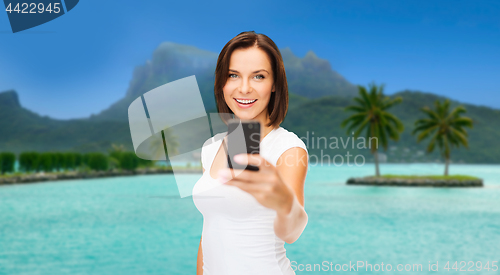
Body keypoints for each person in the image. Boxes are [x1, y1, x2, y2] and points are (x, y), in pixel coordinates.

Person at [193, 31, 309, 275]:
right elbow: (209, 234)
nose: (244, 88)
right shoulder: (211, 148)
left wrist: (284, 200)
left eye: (258, 76)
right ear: (221, 82)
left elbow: (292, 233)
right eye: (233, 75)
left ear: (275, 83)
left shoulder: (287, 148)